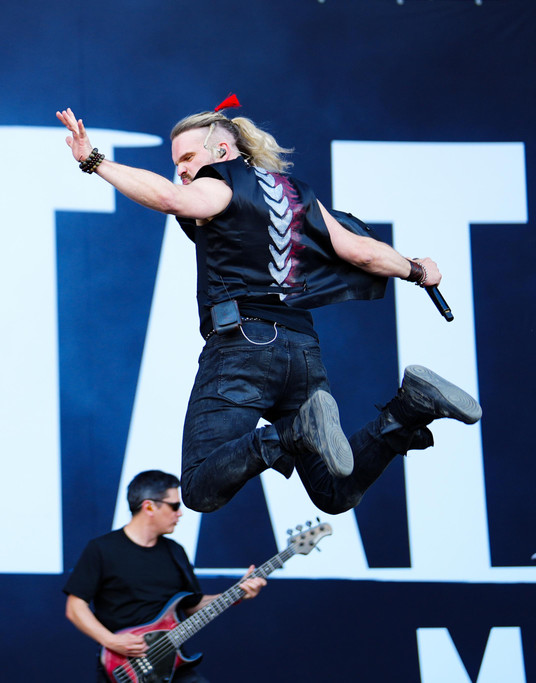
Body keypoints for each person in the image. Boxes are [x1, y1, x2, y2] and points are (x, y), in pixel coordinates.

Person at [55, 101, 482, 515]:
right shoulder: (298, 194)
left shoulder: (216, 183)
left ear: (222, 150)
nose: (181, 170)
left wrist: (94, 160)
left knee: (200, 488)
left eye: (187, 158)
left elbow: (169, 198)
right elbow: (362, 252)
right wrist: (416, 270)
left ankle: (295, 431)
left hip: (244, 345)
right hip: (303, 350)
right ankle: (410, 409)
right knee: (335, 493)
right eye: (177, 162)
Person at [64, 470, 266, 683]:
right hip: (125, 668)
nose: (180, 514)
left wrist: (236, 594)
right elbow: (75, 608)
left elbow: (192, 605)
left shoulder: (175, 551)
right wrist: (111, 641)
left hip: (172, 665)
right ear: (149, 506)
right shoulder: (102, 549)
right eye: (175, 506)